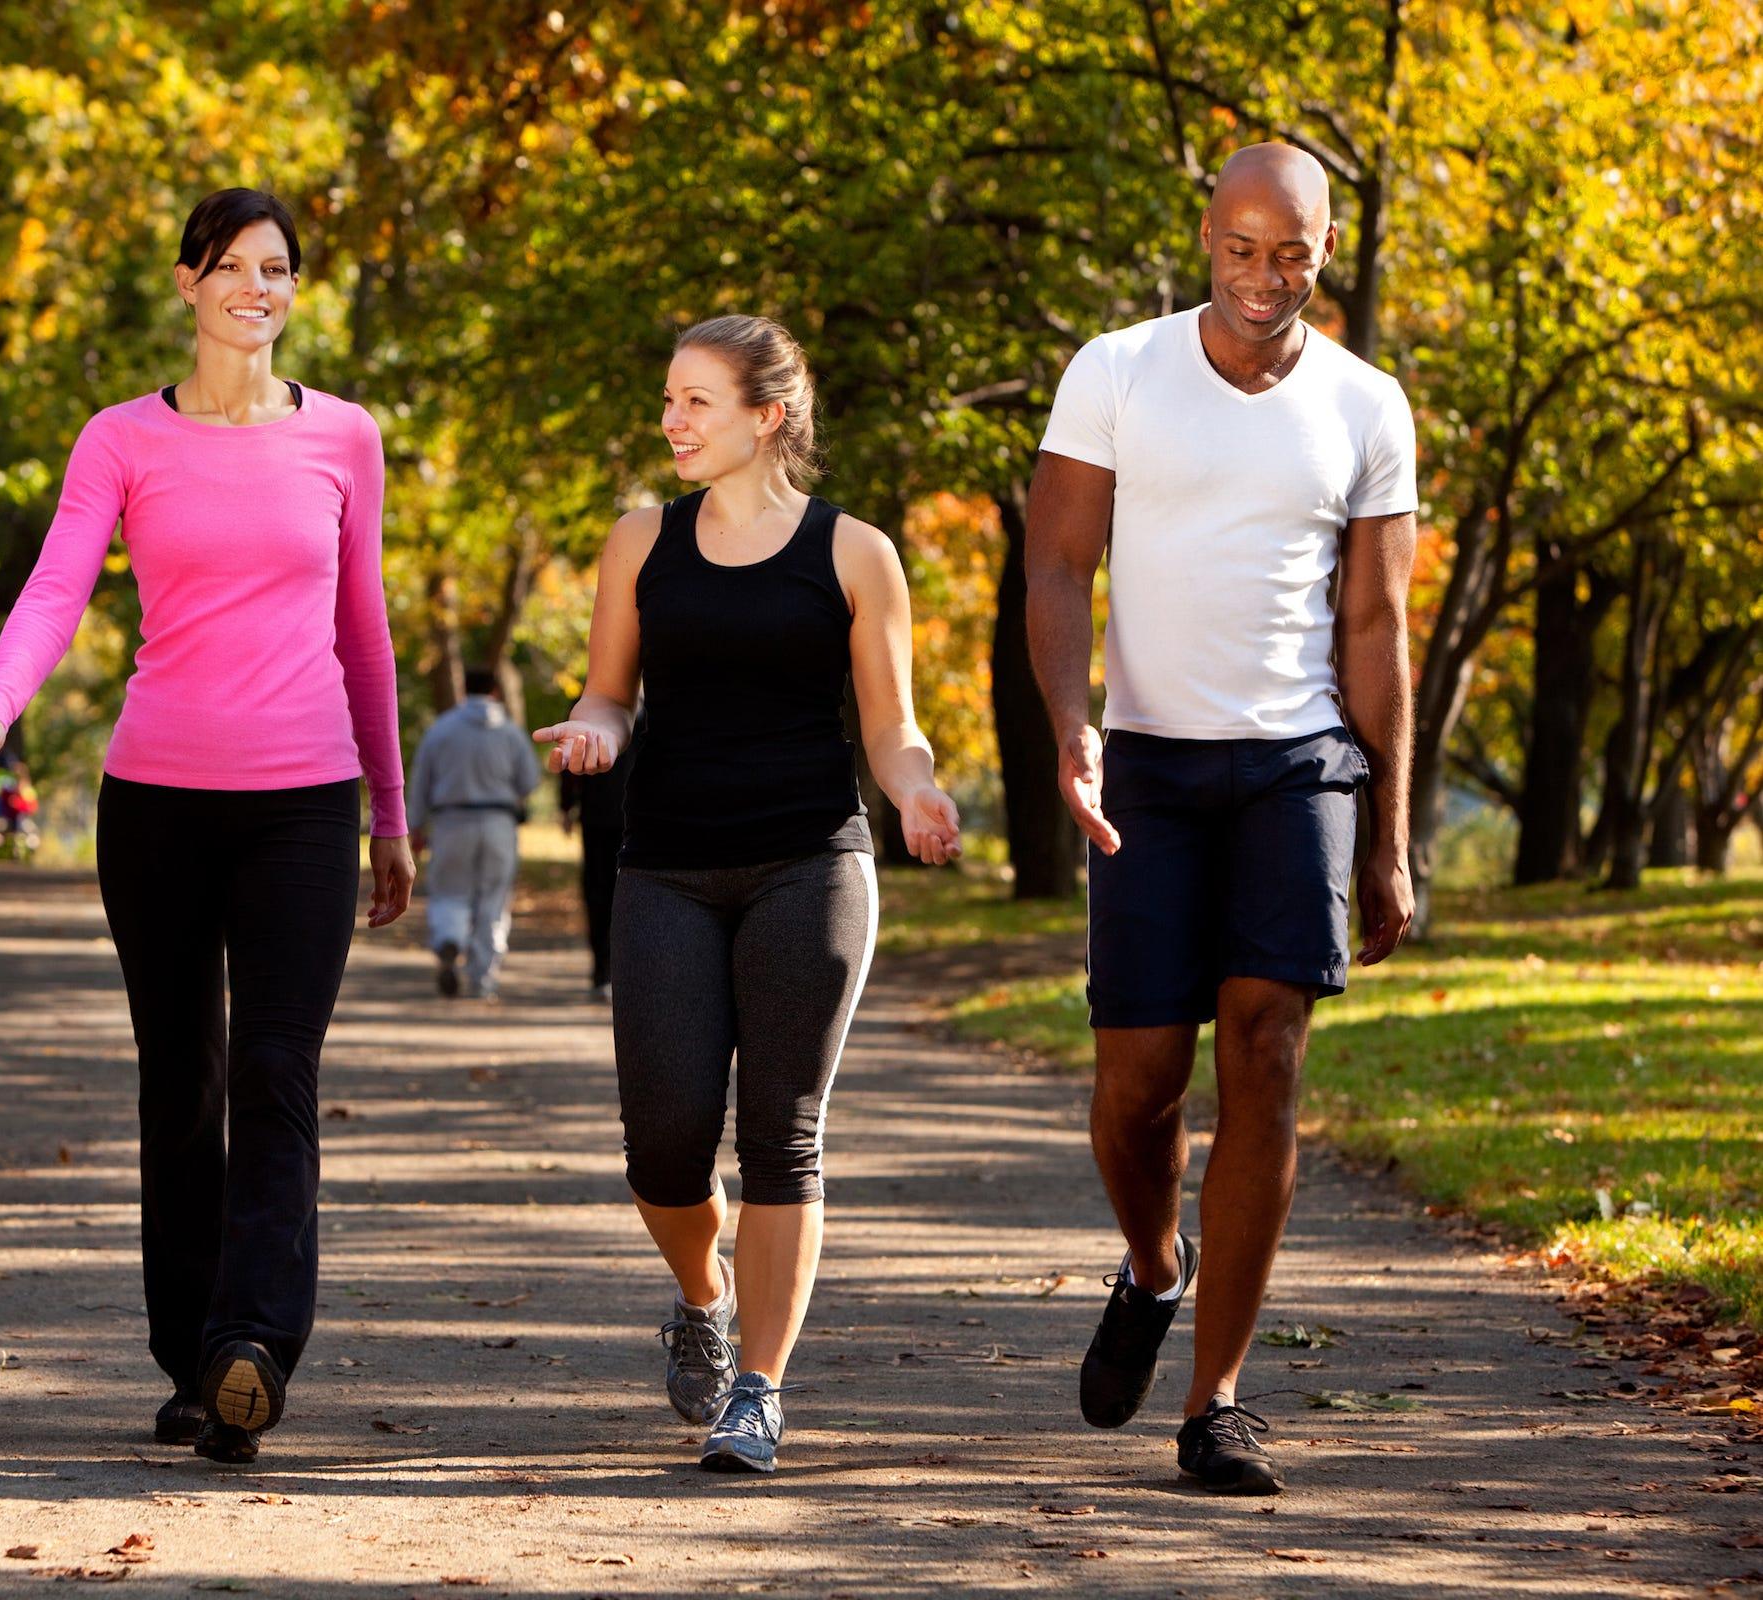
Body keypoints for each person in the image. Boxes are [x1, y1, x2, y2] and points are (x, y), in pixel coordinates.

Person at [0, 188, 414, 1468]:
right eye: (237, 267)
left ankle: (252, 1345)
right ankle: (190, 1354)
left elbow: (362, 633)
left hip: (305, 805)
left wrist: (389, 808)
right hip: (154, 804)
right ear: (188, 282)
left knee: (275, 1070)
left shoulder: (346, 439)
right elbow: (55, 587)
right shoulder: (118, 441)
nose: (260, 287)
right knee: (183, 1079)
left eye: (281, 270)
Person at [1025, 143, 1417, 1496]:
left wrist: (1390, 832)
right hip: (1149, 767)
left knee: (1266, 1053)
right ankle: (1152, 1265)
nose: (1262, 277)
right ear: (1207, 236)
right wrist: (1072, 725)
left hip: (1297, 765)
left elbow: (1374, 628)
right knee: (1136, 1091)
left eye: (1290, 252)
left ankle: (1220, 1401)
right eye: (1240, 249)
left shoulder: (1369, 407)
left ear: (1321, 249)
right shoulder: (1116, 370)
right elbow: (1059, 561)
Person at [536, 315, 961, 1473]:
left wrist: (917, 791)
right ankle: (702, 1290)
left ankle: (760, 1391)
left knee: (783, 1134)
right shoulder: (640, 543)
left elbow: (891, 724)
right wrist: (590, 730)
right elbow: (612, 694)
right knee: (664, 1145)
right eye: (669, 399)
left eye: (696, 402)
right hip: (666, 863)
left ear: (767, 415)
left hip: (810, 862)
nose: (671, 421)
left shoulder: (856, 553)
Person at [407, 667, 541, 1000]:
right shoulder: (510, 732)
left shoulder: (441, 730)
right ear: (495, 691)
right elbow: (530, 780)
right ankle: (482, 978)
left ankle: (449, 939)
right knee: (493, 900)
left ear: (464, 689)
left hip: (451, 822)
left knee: (450, 891)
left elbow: (421, 779)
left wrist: (415, 826)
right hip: (498, 821)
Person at [558, 704, 643, 1002]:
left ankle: (616, 970)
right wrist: (566, 804)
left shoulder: (655, 703)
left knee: (616, 894)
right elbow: (570, 761)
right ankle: (603, 970)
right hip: (605, 817)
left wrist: (566, 805)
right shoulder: (590, 706)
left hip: (630, 819)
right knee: (599, 892)